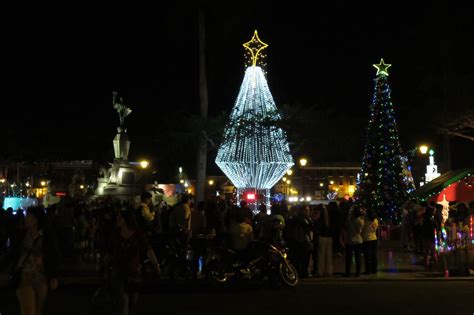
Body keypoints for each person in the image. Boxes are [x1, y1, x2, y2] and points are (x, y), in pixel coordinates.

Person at [109, 210, 160, 315]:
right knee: (124, 299)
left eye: (120, 217)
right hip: (119, 270)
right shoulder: (116, 234)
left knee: (132, 301)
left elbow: (148, 249)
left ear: (126, 220)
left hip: (134, 271)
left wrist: (156, 265)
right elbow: (110, 251)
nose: (117, 219)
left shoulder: (137, 234)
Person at [11, 206, 60, 315]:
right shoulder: (22, 234)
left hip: (41, 278)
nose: (25, 218)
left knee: (38, 311)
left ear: (36, 220)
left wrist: (53, 276)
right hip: (24, 277)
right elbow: (13, 254)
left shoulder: (47, 235)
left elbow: (54, 255)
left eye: (28, 216)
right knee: (28, 311)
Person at [342, 206, 364, 277]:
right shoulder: (360, 221)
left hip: (350, 241)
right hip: (358, 240)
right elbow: (359, 231)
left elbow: (346, 227)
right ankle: (357, 272)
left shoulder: (351, 220)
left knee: (348, 258)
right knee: (358, 258)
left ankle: (347, 272)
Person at [315, 205, 333, 277]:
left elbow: (316, 225)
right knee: (329, 255)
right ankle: (329, 271)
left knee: (321, 255)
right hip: (329, 237)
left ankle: (320, 271)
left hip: (322, 236)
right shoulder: (329, 217)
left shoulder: (319, 217)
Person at [362, 209, 378, 274]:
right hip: (374, 238)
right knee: (374, 255)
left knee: (367, 256)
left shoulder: (365, 221)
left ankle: (367, 270)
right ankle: (374, 270)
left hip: (366, 239)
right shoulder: (375, 220)